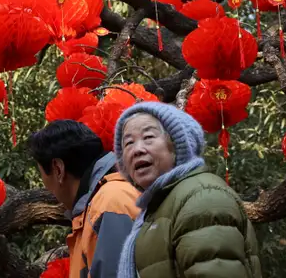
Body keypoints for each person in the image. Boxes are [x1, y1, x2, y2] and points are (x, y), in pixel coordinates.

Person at [108, 101, 262, 278]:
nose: (137, 150)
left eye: (148, 137)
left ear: (177, 146)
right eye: (128, 143)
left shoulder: (202, 197)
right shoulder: (156, 208)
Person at [27, 120, 142, 278]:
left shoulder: (110, 202)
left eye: (42, 175)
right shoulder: (100, 202)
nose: (45, 186)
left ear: (58, 169)